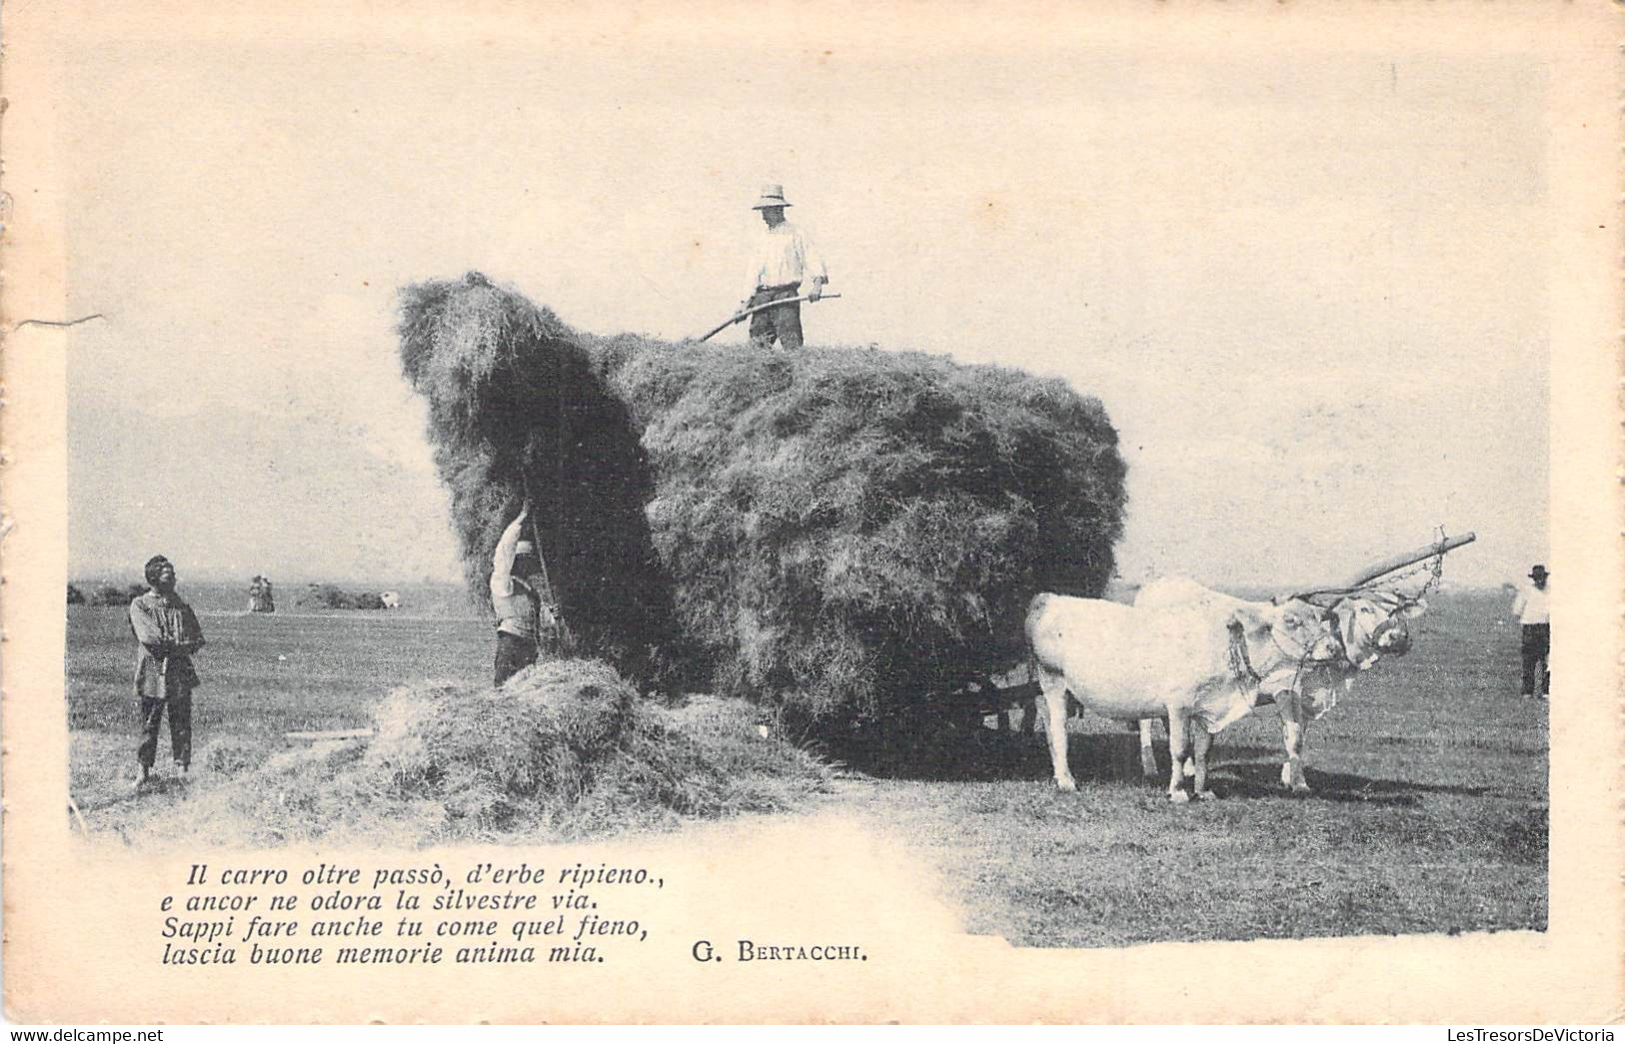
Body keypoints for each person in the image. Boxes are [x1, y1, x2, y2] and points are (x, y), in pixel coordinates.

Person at [128, 555, 205, 786]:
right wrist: (178, 644)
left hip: (179, 670)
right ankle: (143, 771)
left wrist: (178, 644)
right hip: (153, 670)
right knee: (149, 722)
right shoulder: (140, 605)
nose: (172, 578)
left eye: (173, 574)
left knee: (181, 720)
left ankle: (182, 769)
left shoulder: (181, 606)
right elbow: (150, 638)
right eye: (166, 575)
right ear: (153, 577)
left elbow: (197, 638)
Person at [741, 184, 829, 350]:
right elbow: (752, 272)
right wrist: (745, 302)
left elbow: (813, 260)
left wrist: (817, 286)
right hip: (762, 298)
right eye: (762, 211)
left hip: (785, 296)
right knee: (757, 347)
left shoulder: (796, 233)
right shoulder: (762, 238)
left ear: (778, 210)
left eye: (766, 211)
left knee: (791, 343)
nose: (763, 216)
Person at [491, 505, 555, 685]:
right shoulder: (503, 583)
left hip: (530, 647)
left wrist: (553, 616)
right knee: (503, 690)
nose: (528, 565)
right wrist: (522, 517)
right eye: (523, 561)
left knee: (525, 694)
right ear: (515, 562)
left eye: (530, 561)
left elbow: (543, 620)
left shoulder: (531, 590)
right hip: (511, 642)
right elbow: (504, 551)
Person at [1510, 564, 1550, 700]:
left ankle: (1546, 691)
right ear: (1534, 579)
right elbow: (1517, 610)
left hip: (1546, 627)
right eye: (1537, 579)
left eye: (1542, 578)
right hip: (1530, 629)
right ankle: (1527, 692)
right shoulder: (1526, 591)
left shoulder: (1552, 591)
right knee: (1528, 662)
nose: (1540, 581)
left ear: (1545, 578)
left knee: (1548, 662)